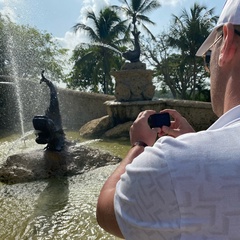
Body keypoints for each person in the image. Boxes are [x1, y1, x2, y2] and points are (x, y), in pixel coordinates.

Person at [96, 0, 240, 239]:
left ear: (227, 44)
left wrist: (139, 145)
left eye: (208, 58)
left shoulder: (171, 165)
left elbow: (106, 211)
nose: (209, 70)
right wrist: (197, 141)